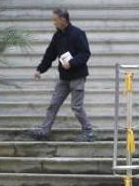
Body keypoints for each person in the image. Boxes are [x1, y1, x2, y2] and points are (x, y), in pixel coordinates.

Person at [29, 8, 95, 142]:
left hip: (77, 77)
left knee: (76, 107)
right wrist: (40, 69)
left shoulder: (78, 33)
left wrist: (72, 63)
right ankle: (44, 131)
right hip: (64, 78)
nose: (54, 23)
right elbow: (50, 55)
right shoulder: (57, 36)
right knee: (53, 104)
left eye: (55, 20)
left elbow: (85, 53)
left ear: (63, 20)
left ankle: (88, 132)